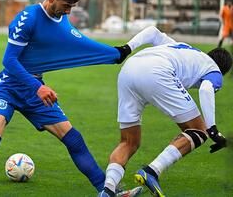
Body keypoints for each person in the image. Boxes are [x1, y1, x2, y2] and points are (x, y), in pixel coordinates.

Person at [0, 0, 144, 197]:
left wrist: (115, 54)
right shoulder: (28, 18)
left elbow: (80, 44)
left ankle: (106, 192)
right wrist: (37, 87)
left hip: (35, 91)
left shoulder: (62, 20)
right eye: (67, 5)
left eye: (72, 7)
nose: (69, 12)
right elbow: (9, 61)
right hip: (8, 87)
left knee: (74, 139)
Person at [99, 26, 232, 197]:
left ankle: (107, 190)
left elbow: (152, 32)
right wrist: (213, 130)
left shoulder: (185, 48)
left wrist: (127, 48)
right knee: (199, 131)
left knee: (128, 142)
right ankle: (152, 171)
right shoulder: (214, 69)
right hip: (158, 72)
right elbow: (206, 89)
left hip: (128, 69)